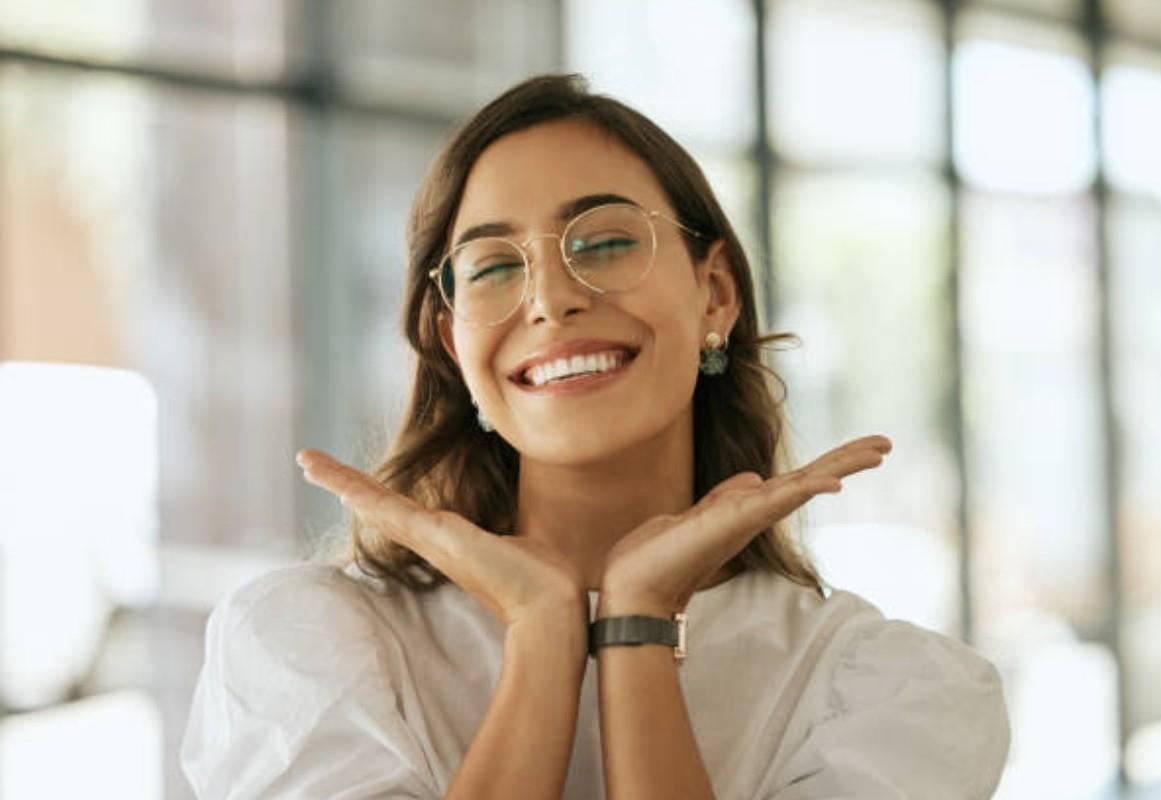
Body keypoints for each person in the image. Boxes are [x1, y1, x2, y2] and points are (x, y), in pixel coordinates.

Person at [181, 73, 1010, 799]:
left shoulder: (884, 693)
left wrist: (637, 625)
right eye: (495, 267)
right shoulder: (308, 651)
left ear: (714, 294)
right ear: (452, 343)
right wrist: (542, 632)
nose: (549, 300)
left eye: (606, 242)